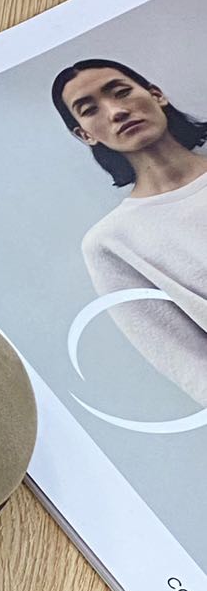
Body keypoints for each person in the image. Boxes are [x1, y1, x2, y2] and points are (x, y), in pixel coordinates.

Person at [53, 58, 207, 405]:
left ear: (156, 95)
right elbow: (187, 362)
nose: (116, 111)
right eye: (89, 110)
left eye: (121, 92)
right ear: (85, 134)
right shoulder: (111, 243)